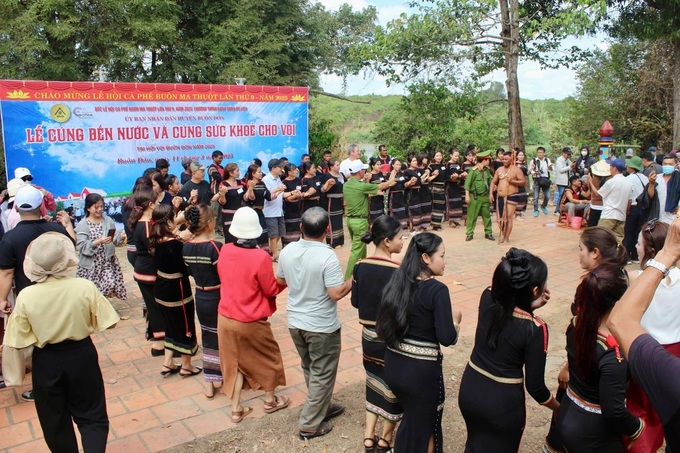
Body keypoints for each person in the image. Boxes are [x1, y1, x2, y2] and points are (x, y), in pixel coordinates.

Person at [3, 232, 119, 453]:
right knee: (92, 416)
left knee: (54, 422)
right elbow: (110, 322)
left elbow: (17, 340)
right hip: (82, 354)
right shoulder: (83, 286)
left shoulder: (27, 296)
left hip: (46, 361)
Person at [459, 248, 558, 452]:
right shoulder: (535, 329)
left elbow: (506, 306)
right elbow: (536, 387)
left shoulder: (487, 297)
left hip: (471, 389)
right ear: (534, 290)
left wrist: (529, 305)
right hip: (502, 405)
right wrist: (558, 408)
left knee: (474, 445)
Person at [544, 226, 629, 452]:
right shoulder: (619, 277)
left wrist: (569, 365)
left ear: (595, 252)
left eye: (580, 249)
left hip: (591, 371)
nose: (578, 254)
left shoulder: (597, 286)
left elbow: (583, 331)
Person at [377, 232, 461, 453]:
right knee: (426, 424)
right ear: (426, 258)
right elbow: (447, 337)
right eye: (442, 256)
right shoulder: (437, 290)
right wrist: (456, 322)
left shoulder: (398, 282)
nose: (445, 261)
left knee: (412, 420)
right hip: (420, 374)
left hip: (395, 365)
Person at [276, 207, 352, 439]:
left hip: (296, 321)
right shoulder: (326, 256)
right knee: (322, 372)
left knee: (311, 367)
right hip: (320, 325)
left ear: (301, 228)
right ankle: (309, 424)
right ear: (328, 230)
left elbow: (280, 279)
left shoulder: (288, 250)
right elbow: (336, 293)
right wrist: (354, 278)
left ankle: (322, 406)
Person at [608, 217, 680, 452]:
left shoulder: (636, 279)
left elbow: (619, 319)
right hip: (674, 350)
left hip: (641, 346)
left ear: (649, 249)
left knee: (638, 405)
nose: (635, 248)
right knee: (663, 409)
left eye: (638, 244)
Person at [0, 185, 76, 402]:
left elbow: (6, 272)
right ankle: (69, 381)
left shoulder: (10, 238)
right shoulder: (56, 230)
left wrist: (2, 299)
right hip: (62, 292)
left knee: (39, 346)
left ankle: (44, 389)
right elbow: (71, 249)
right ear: (41, 205)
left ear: (15, 206)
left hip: (31, 297)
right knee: (64, 336)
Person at [556, 265, 644, 451]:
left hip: (569, 410)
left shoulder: (576, 325)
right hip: (594, 432)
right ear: (618, 302)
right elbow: (614, 410)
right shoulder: (613, 354)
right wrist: (637, 427)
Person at [217, 207, 289, 423]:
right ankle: (270, 400)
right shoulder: (261, 256)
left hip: (225, 316)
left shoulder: (226, 250)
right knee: (268, 357)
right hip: (250, 319)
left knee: (233, 362)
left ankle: (236, 408)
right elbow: (270, 289)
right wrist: (285, 281)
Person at [351, 216, 404, 453]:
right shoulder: (398, 271)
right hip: (390, 340)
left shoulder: (360, 265)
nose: (402, 243)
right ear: (386, 241)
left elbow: (355, 301)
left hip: (367, 338)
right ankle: (385, 438)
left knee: (373, 382)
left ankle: (367, 436)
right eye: (400, 238)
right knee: (392, 387)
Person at [148, 203, 202, 377]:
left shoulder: (155, 238)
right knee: (184, 325)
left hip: (161, 288)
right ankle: (187, 365)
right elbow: (185, 269)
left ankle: (168, 362)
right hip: (177, 291)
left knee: (170, 324)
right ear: (169, 221)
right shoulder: (175, 245)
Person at [182, 205, 224, 399]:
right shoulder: (215, 247)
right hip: (218, 296)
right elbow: (224, 275)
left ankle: (210, 380)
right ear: (209, 224)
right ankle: (225, 376)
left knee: (208, 338)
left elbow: (189, 271)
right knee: (223, 337)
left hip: (200, 295)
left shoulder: (186, 247)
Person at [128, 187, 167, 356]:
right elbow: (154, 249)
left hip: (145, 270)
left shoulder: (145, 222)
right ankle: (160, 344)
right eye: (157, 203)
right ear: (151, 205)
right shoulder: (145, 225)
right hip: (148, 272)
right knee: (156, 307)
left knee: (154, 306)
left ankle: (159, 340)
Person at [343, 160, 394, 280]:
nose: (365, 172)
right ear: (360, 172)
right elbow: (381, 186)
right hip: (360, 222)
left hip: (350, 221)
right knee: (357, 250)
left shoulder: (347, 185)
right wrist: (392, 179)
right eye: (364, 170)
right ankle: (348, 278)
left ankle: (361, 271)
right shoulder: (361, 186)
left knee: (361, 247)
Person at [75, 193, 127, 300]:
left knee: (109, 284)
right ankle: (99, 311)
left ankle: (103, 308)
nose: (100, 209)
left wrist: (120, 237)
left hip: (107, 261)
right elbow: (81, 246)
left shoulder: (108, 220)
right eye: (96, 207)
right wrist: (97, 242)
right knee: (93, 291)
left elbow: (114, 240)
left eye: (101, 206)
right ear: (88, 208)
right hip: (91, 264)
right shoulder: (83, 224)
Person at [594, 158, 632, 244]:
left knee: (601, 238)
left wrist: (590, 182)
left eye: (610, 166)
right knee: (618, 240)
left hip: (609, 215)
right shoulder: (628, 182)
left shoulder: (611, 182)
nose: (609, 168)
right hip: (621, 216)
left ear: (614, 168)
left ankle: (602, 256)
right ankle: (618, 256)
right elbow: (629, 201)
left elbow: (598, 194)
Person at [490, 151, 526, 243]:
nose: (504, 161)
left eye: (506, 159)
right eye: (503, 159)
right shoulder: (499, 170)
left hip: (512, 196)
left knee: (508, 217)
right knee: (500, 219)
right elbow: (493, 182)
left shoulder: (516, 169)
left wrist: (513, 181)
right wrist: (490, 193)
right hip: (500, 196)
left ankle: (506, 237)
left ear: (511, 159)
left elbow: (523, 182)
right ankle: (503, 232)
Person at [623, 156, 650, 262]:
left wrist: (626, 210)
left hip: (632, 208)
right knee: (637, 232)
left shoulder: (629, 179)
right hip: (643, 209)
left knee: (628, 231)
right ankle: (635, 255)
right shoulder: (645, 178)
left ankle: (626, 256)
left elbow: (628, 197)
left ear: (632, 167)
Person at [464, 149, 494, 241]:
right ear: (484, 160)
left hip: (484, 196)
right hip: (475, 197)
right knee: (472, 216)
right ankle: (469, 233)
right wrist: (467, 195)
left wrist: (491, 192)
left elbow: (491, 181)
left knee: (487, 216)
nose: (489, 161)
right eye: (488, 160)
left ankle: (488, 233)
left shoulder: (487, 171)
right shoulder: (473, 171)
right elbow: (467, 184)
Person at [262, 159, 288, 261]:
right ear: (273, 168)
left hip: (279, 210)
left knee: (280, 233)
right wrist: (279, 189)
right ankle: (275, 254)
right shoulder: (266, 180)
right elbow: (267, 194)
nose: (282, 169)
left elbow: (281, 194)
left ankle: (271, 250)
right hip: (270, 211)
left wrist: (292, 193)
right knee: (273, 234)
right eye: (280, 167)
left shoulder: (278, 179)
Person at [243, 164, 272, 252]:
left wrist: (279, 190)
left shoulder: (262, 183)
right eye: (259, 172)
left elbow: (268, 196)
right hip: (252, 213)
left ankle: (264, 252)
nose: (261, 173)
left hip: (260, 211)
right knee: (255, 233)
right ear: (253, 174)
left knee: (264, 233)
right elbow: (251, 198)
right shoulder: (248, 183)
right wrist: (251, 188)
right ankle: (255, 252)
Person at [215, 162, 244, 243]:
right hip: (228, 216)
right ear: (231, 173)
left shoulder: (241, 183)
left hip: (239, 215)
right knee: (230, 239)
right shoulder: (223, 184)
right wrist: (223, 194)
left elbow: (245, 197)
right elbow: (222, 202)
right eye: (237, 171)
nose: (239, 172)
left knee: (241, 239)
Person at [319, 158, 345, 247]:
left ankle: (340, 241)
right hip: (331, 201)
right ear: (331, 167)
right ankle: (332, 242)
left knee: (339, 221)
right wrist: (329, 184)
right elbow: (323, 189)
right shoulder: (326, 176)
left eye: (339, 165)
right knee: (332, 221)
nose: (339, 167)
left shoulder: (341, 175)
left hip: (340, 201)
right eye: (337, 165)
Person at [387, 158, 411, 233]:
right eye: (397, 164)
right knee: (394, 212)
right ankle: (394, 231)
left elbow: (405, 184)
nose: (398, 166)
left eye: (399, 165)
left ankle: (402, 230)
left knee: (402, 212)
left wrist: (410, 182)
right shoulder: (389, 174)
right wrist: (393, 174)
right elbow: (389, 184)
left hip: (401, 194)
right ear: (393, 165)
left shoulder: (402, 174)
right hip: (393, 195)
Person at [281, 163, 303, 246]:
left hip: (298, 209)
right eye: (294, 170)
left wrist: (299, 195)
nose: (296, 171)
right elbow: (285, 198)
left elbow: (301, 192)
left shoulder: (298, 180)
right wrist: (294, 196)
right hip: (288, 210)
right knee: (289, 231)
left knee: (297, 229)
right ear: (289, 172)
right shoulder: (284, 183)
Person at [529, 147, 553, 217]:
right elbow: (531, 171)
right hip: (537, 180)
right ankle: (536, 210)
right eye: (539, 152)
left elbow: (551, 169)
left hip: (545, 180)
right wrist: (535, 172)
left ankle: (543, 206)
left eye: (541, 152)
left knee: (547, 195)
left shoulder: (547, 160)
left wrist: (550, 168)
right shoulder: (533, 161)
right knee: (536, 197)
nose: (540, 154)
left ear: (544, 153)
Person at [587, 160, 611, 227]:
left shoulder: (592, 179)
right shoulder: (609, 179)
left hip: (595, 205)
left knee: (592, 227)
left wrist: (590, 181)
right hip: (605, 206)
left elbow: (590, 191)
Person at [404, 156, 424, 233]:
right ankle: (412, 228)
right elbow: (406, 183)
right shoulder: (407, 171)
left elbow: (420, 180)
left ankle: (417, 227)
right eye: (413, 161)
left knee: (417, 209)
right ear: (409, 162)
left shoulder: (417, 170)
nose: (415, 162)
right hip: (410, 192)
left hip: (417, 192)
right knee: (411, 209)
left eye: (416, 161)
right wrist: (411, 182)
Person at [429, 151, 448, 230]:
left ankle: (438, 223)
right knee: (435, 206)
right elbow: (428, 178)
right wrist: (434, 174)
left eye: (440, 155)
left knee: (441, 206)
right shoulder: (431, 166)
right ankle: (434, 225)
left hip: (442, 187)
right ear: (434, 157)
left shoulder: (444, 166)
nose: (439, 157)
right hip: (435, 187)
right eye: (437, 156)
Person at [207, 150, 225, 236]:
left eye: (222, 158)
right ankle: (214, 231)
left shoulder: (221, 167)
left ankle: (219, 229)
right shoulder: (211, 168)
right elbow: (219, 178)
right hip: (214, 192)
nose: (221, 159)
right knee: (215, 213)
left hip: (222, 192)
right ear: (214, 158)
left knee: (221, 212)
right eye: (219, 158)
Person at [445, 148, 463, 228]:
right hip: (450, 186)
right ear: (451, 155)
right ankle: (450, 221)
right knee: (451, 203)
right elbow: (446, 175)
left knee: (457, 202)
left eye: (458, 156)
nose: (457, 157)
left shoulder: (458, 164)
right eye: (455, 156)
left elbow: (460, 172)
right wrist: (451, 177)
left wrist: (461, 175)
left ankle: (456, 220)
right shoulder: (447, 164)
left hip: (457, 186)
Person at [367, 157, 387, 225]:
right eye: (377, 165)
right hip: (373, 200)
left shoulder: (381, 174)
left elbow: (384, 184)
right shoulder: (370, 175)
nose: (379, 166)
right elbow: (367, 188)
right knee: (373, 218)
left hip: (381, 199)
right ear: (372, 166)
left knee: (381, 217)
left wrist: (383, 191)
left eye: (380, 164)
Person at [553, 147, 573, 215]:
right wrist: (570, 167)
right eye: (567, 154)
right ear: (563, 153)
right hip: (561, 181)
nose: (568, 156)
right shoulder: (559, 160)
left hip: (567, 181)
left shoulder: (568, 160)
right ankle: (557, 210)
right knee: (561, 195)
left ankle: (563, 209)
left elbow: (571, 167)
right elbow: (561, 170)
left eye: (569, 155)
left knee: (566, 196)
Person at [515, 149, 529, 219]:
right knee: (520, 198)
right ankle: (517, 214)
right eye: (519, 155)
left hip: (522, 183)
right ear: (516, 156)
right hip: (516, 183)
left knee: (523, 198)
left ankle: (519, 213)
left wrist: (531, 169)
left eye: (522, 155)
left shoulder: (523, 164)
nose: (521, 156)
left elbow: (526, 173)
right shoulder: (515, 164)